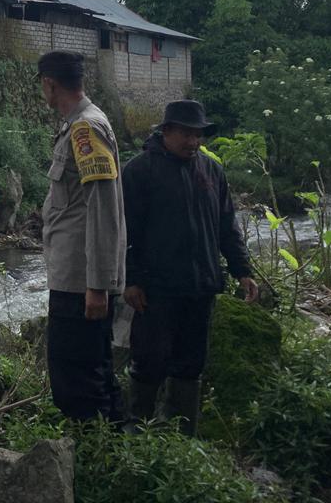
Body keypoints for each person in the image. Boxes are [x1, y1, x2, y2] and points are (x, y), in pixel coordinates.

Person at [121, 99, 259, 435]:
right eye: (186, 134)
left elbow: (228, 226)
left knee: (191, 364)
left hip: (201, 286)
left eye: (198, 135)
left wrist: (243, 270)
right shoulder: (139, 171)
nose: (193, 142)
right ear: (166, 131)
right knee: (149, 362)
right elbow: (125, 232)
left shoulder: (212, 172)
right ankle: (135, 435)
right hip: (155, 290)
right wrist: (131, 280)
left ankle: (181, 438)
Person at [37, 51, 126, 421]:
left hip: (80, 283)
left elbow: (102, 207)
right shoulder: (81, 124)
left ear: (49, 84)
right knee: (91, 372)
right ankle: (110, 448)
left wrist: (97, 285)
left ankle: (94, 456)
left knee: (77, 381)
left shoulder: (85, 129)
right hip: (74, 277)